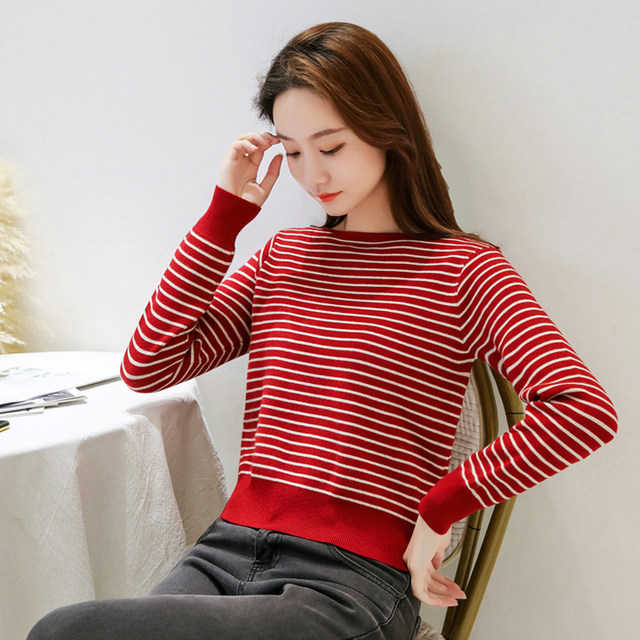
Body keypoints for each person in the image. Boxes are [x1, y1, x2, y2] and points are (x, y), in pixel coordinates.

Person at [27, 21, 617, 640]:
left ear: (387, 129)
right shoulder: (283, 257)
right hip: (224, 554)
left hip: (350, 583)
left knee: (65, 633)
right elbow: (149, 365)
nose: (312, 176)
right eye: (293, 152)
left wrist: (440, 509)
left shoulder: (463, 269)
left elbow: (581, 410)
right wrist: (223, 219)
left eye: (330, 147)